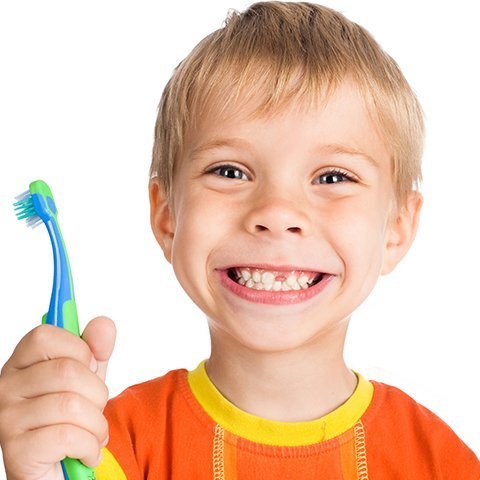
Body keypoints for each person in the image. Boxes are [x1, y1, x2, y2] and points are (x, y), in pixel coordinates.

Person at [1, 2, 479, 479]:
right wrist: (39, 471)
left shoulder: (440, 462)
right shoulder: (102, 448)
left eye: (333, 176)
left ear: (397, 227)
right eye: (230, 171)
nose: (276, 213)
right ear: (167, 216)